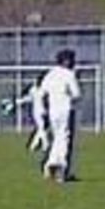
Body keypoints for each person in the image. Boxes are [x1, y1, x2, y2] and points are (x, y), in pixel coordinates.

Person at [37, 49, 81, 183]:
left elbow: (41, 93)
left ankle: (50, 165)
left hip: (52, 110)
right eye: (72, 60)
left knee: (57, 138)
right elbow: (76, 94)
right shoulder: (68, 74)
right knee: (64, 139)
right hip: (65, 110)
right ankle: (61, 169)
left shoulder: (50, 74)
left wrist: (43, 110)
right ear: (66, 61)